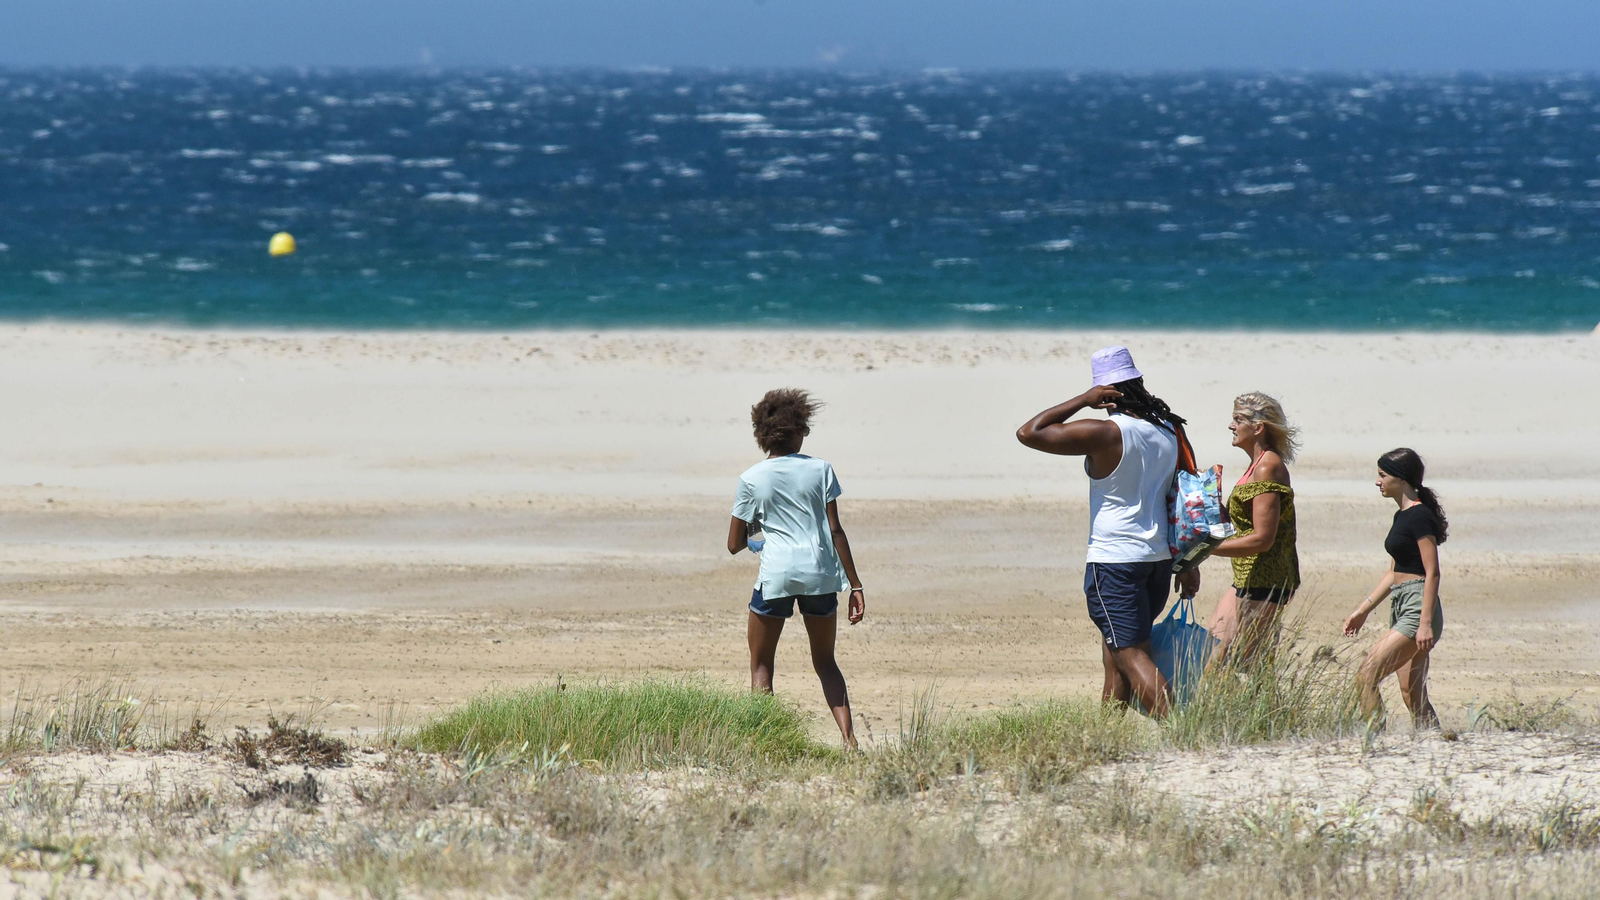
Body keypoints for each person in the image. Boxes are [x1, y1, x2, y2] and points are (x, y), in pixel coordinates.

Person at [1016, 346, 1200, 719]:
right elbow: (1181, 498)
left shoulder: (1106, 433)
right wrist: (1189, 562)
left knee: (1131, 657)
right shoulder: (1168, 430)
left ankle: (1185, 734)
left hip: (1115, 563)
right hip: (1157, 562)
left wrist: (1083, 400)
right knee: (1116, 660)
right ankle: (1105, 738)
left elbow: (1028, 432)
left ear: (1105, 391)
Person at [726, 388, 866, 748]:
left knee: (761, 666)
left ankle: (765, 743)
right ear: (799, 429)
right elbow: (835, 530)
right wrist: (856, 586)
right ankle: (850, 742)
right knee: (825, 662)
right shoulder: (821, 469)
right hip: (821, 573)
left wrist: (760, 533)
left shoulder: (752, 479)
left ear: (762, 435)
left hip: (777, 575)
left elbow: (734, 543)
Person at [1342, 448, 1448, 730]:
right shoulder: (1401, 517)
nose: (1378, 482)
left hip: (1417, 607)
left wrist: (1424, 623)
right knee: (1411, 693)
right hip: (1402, 604)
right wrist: (1362, 610)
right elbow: (1393, 573)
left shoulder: (1420, 516)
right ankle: (1434, 744)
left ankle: (1375, 742)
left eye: (1382, 475)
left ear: (1401, 479)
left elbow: (1432, 572)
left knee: (1365, 675)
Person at [1206, 392, 1301, 667]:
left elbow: (1262, 539)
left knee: (1239, 666)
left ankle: (1272, 711)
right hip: (1248, 576)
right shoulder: (1255, 466)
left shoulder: (1267, 467)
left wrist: (1206, 549)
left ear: (1258, 427)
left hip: (1267, 578)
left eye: (1238, 419)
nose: (1231, 426)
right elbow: (1247, 526)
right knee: (1216, 656)